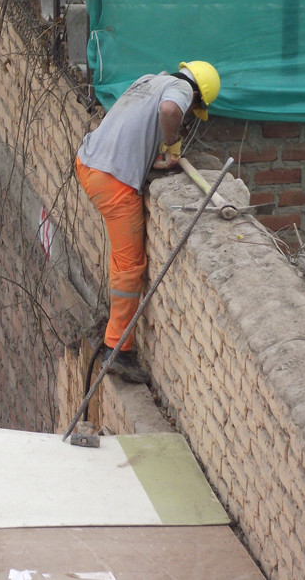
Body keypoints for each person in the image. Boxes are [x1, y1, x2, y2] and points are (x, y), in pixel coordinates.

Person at [75, 60, 221, 383]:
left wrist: (149, 154)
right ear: (198, 95)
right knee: (131, 266)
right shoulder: (182, 89)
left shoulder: (150, 79)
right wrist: (172, 147)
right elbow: (169, 112)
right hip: (112, 180)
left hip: (89, 163)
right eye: (193, 110)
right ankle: (118, 349)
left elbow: (133, 124)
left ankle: (114, 330)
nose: (188, 116)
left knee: (121, 257)